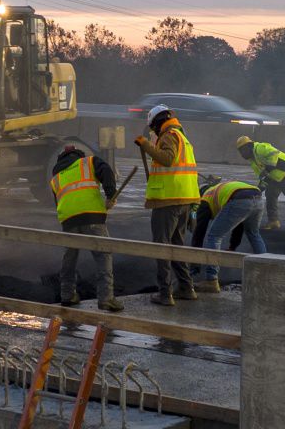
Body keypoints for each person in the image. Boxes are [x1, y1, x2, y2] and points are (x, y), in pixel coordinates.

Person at [135, 103, 201, 306]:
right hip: (184, 199)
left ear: (156, 122)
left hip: (168, 201)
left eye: (153, 127)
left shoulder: (169, 135)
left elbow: (168, 159)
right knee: (177, 246)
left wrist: (146, 146)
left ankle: (165, 293)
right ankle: (186, 288)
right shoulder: (183, 137)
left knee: (161, 246)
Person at [49, 145, 123, 312]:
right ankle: (106, 298)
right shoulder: (88, 162)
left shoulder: (56, 178)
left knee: (70, 257)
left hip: (68, 220)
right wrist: (110, 194)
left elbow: (58, 202)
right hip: (92, 216)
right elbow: (107, 171)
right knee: (103, 255)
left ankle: (67, 295)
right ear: (78, 155)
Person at [190, 176, 267, 293]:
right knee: (253, 233)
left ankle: (211, 280)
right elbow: (239, 223)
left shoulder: (205, 198)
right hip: (258, 198)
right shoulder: (222, 189)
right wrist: (232, 246)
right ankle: (267, 271)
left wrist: (195, 262)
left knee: (214, 236)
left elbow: (199, 232)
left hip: (239, 200)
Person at [235, 136, 285, 231]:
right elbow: (262, 175)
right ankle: (273, 221)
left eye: (242, 150)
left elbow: (273, 156)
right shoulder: (252, 160)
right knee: (270, 195)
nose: (241, 154)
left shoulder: (260, 148)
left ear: (248, 146)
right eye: (240, 151)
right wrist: (260, 188)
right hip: (274, 176)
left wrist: (267, 170)